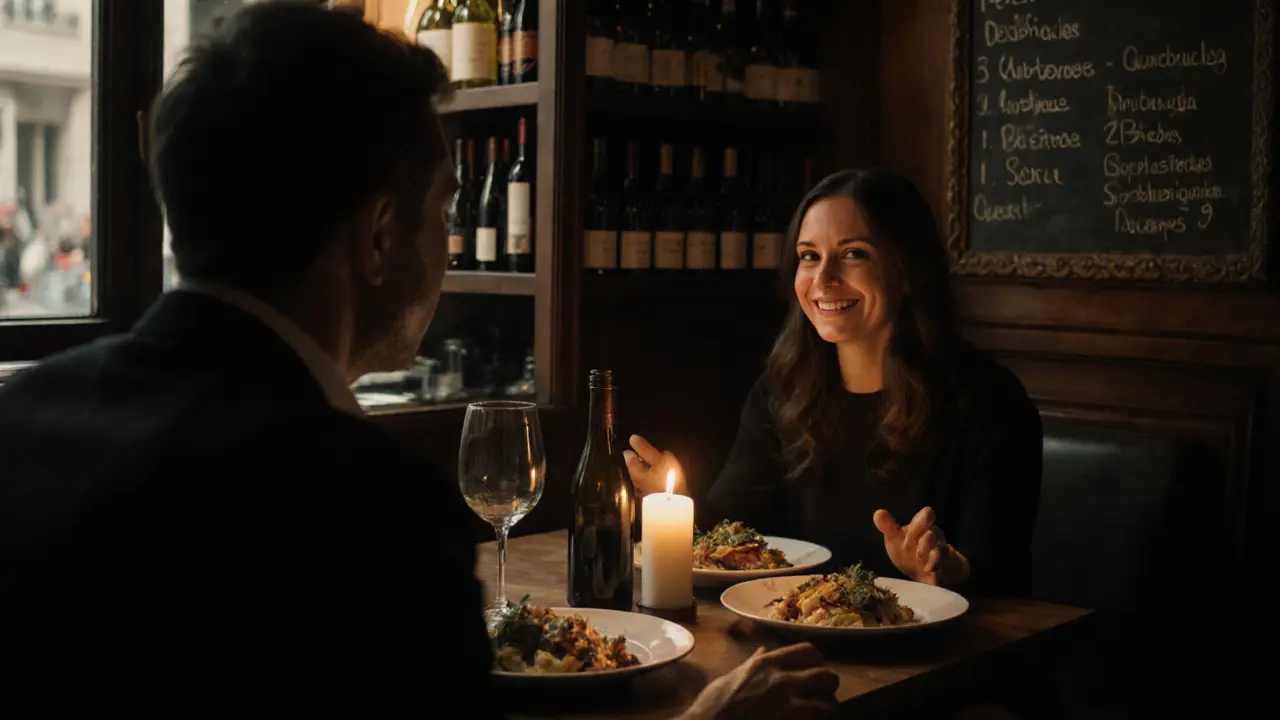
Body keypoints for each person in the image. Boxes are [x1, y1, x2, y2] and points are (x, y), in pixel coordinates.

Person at [0, 4, 836, 717]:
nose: (447, 245)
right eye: (442, 210)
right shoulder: (368, 513)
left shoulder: (21, 420)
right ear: (377, 235)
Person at [627, 169, 1042, 597]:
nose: (823, 279)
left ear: (907, 271)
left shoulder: (988, 402)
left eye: (854, 254)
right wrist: (674, 503)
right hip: (794, 640)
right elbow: (734, 537)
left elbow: (1004, 581)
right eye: (809, 256)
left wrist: (944, 571)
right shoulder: (782, 390)